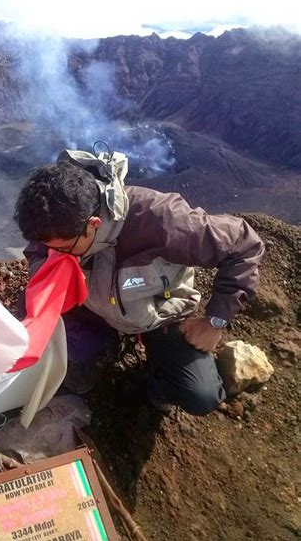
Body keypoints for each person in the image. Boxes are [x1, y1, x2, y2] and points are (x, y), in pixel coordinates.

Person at [14, 149, 265, 416]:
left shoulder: (163, 220)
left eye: (64, 248)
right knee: (32, 311)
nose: (58, 253)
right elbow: (38, 251)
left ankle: (155, 384)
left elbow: (243, 245)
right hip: (94, 305)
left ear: (93, 224)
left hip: (159, 315)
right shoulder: (57, 219)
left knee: (200, 396)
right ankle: (103, 345)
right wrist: (52, 277)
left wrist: (215, 321)